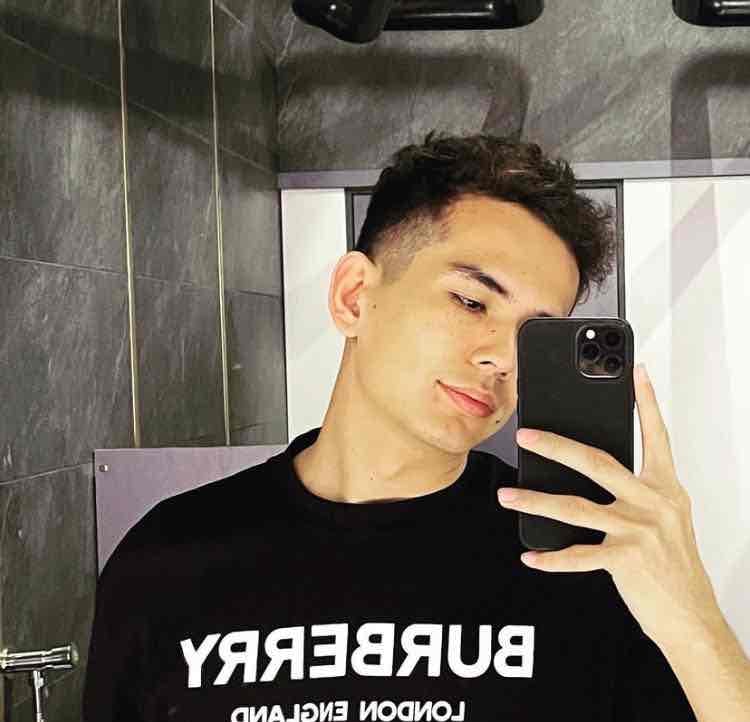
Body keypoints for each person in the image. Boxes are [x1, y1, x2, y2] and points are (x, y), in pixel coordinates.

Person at [83, 131, 748, 722]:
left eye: (535, 337)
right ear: (354, 297)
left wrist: (692, 615)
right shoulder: (168, 560)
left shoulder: (581, 564)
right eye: (471, 300)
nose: (503, 357)